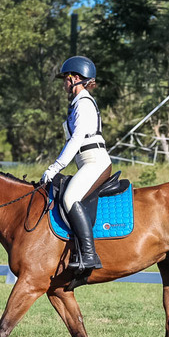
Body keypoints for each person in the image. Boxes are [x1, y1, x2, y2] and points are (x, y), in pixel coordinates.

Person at [41, 56, 112, 271]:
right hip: (87, 162)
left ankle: (89, 255)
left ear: (75, 78)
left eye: (66, 78)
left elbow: (77, 139)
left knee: (70, 197)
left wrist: (55, 167)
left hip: (95, 161)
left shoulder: (83, 103)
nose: (64, 83)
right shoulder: (77, 104)